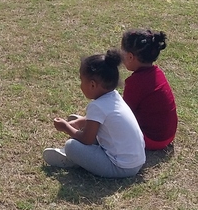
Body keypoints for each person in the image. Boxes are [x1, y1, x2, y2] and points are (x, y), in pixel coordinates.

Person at [43, 51, 146, 179]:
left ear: (92, 85)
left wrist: (66, 127)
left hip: (120, 167)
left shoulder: (97, 106)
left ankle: (72, 158)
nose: (80, 85)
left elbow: (87, 139)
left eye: (81, 80)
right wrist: (78, 123)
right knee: (86, 124)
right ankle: (82, 152)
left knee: (71, 146)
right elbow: (104, 118)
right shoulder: (114, 96)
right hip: (136, 162)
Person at [120, 28, 177, 151]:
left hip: (152, 140)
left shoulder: (136, 83)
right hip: (168, 136)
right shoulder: (157, 73)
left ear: (130, 56)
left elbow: (122, 115)